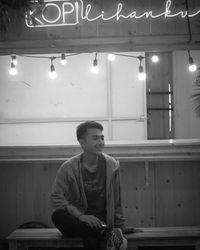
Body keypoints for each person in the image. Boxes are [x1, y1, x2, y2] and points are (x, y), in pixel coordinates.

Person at [50, 121, 128, 250]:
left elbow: (117, 200)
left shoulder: (112, 165)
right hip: (79, 221)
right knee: (57, 216)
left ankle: (106, 231)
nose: (101, 142)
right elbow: (56, 198)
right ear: (82, 143)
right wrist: (81, 216)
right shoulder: (68, 167)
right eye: (95, 138)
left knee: (91, 239)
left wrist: (120, 226)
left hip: (101, 222)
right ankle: (107, 233)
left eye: (102, 138)